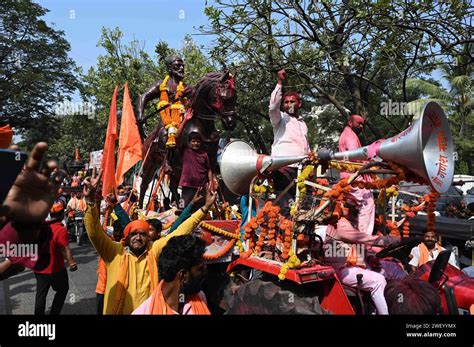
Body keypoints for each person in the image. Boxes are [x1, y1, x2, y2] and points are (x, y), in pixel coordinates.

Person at [83, 171, 216, 315]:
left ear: (149, 238)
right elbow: (94, 233)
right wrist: (90, 202)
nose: (138, 238)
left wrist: (204, 209)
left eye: (143, 234)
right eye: (134, 234)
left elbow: (179, 231)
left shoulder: (153, 250)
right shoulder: (114, 252)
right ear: (126, 236)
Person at [322, 202, 401, 314]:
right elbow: (367, 240)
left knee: (395, 269)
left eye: (357, 206)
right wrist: (392, 240)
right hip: (343, 269)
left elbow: (360, 247)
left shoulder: (352, 224)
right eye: (350, 206)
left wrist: (369, 257)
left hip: (358, 266)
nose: (356, 208)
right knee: (378, 281)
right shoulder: (341, 224)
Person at [132, 235, 209, 314]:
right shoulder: (144, 312)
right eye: (200, 269)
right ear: (183, 276)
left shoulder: (199, 297)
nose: (205, 272)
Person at [268, 69, 309, 208]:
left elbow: (305, 147)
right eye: (286, 102)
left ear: (299, 104)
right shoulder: (279, 118)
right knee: (286, 208)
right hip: (283, 170)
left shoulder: (302, 123)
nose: (289, 104)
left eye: (292, 101)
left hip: (301, 169)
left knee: (301, 207)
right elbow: (273, 106)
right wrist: (280, 82)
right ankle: (283, 230)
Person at [34, 202, 78, 315]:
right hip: (55, 269)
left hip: (39, 268)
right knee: (63, 289)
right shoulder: (60, 229)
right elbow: (65, 248)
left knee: (41, 293)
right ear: (61, 215)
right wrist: (72, 263)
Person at [338, 114, 375, 236]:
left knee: (355, 207)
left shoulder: (348, 134)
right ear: (350, 122)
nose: (361, 126)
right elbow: (356, 156)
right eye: (359, 123)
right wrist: (369, 162)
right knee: (367, 203)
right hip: (353, 176)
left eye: (363, 124)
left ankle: (356, 234)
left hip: (349, 176)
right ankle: (365, 236)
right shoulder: (350, 136)